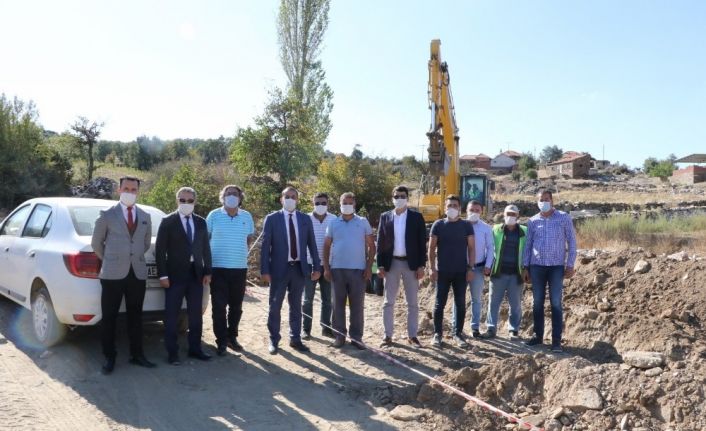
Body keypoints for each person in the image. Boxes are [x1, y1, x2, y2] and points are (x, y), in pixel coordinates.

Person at [91, 176, 155, 374]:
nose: (130, 192)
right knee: (109, 316)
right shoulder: (107, 215)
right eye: (126, 188)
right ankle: (109, 356)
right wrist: (110, 259)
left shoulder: (145, 216)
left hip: (137, 273)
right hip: (112, 274)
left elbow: (145, 243)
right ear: (119, 190)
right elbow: (96, 243)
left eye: (133, 189)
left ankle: (137, 354)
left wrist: (132, 257)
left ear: (138, 192)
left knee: (136, 316)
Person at [260, 186, 321, 355]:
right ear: (281, 199)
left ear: (297, 200)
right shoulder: (272, 219)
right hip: (278, 270)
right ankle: (274, 340)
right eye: (287, 196)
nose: (290, 199)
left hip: (299, 269)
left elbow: (312, 244)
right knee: (275, 306)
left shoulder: (305, 219)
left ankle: (295, 339)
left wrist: (316, 266)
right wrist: (264, 270)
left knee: (296, 306)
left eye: (293, 196)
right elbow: (265, 246)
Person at [156, 187, 213, 365]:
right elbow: (160, 251)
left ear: (195, 201)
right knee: (171, 315)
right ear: (177, 200)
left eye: (190, 200)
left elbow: (205, 248)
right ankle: (172, 353)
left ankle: (195, 349)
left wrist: (208, 271)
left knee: (195, 315)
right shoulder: (168, 221)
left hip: (196, 274)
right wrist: (162, 275)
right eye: (182, 200)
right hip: (174, 275)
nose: (186, 203)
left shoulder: (201, 222)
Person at [522, 190, 577, 353]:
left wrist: (570, 264)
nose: (544, 202)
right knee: (537, 302)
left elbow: (572, 241)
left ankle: (556, 341)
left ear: (552, 201)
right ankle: (537, 336)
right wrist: (525, 267)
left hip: (556, 267)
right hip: (537, 266)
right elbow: (528, 245)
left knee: (556, 302)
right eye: (541, 199)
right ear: (537, 202)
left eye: (546, 199)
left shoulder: (564, 218)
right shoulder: (532, 221)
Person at [206, 185, 254, 356]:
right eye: (228, 194)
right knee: (219, 306)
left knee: (236, 306)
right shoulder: (214, 215)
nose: (231, 196)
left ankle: (232, 337)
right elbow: (206, 238)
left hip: (239, 268)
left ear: (240, 197)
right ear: (223, 196)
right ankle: (221, 341)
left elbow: (248, 239)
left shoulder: (247, 216)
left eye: (235, 194)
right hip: (217, 268)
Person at [323, 192, 375, 349]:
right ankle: (339, 336)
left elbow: (372, 246)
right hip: (337, 270)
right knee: (337, 305)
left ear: (355, 205)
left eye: (350, 203)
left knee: (357, 306)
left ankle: (356, 338)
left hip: (358, 271)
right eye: (344, 203)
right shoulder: (333, 223)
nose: (347, 205)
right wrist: (326, 268)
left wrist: (369, 267)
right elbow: (326, 246)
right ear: (340, 204)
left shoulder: (363, 222)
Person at [376, 186, 427, 348]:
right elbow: (380, 242)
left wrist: (421, 265)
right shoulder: (385, 217)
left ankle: (412, 336)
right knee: (388, 302)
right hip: (391, 264)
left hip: (411, 264)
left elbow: (422, 243)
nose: (399, 199)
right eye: (396, 196)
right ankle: (387, 335)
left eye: (402, 196)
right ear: (392, 198)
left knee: (412, 303)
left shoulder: (416, 217)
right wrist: (380, 265)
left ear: (407, 198)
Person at [428, 195, 475, 348]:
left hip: (461, 272)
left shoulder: (466, 225)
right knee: (439, 303)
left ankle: (458, 334)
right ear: (445, 207)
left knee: (460, 303)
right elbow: (431, 249)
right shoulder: (438, 225)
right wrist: (432, 268)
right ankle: (437, 334)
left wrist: (471, 268)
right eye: (449, 205)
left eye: (455, 205)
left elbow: (471, 248)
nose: (452, 208)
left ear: (460, 208)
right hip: (442, 271)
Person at [452, 200, 494, 339]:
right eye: (471, 210)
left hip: (478, 268)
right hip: (460, 268)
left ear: (481, 211)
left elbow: (490, 247)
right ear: (466, 210)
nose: (474, 212)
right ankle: (455, 326)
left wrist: (488, 265)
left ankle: (475, 327)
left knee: (476, 299)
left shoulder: (486, 228)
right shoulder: (459, 225)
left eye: (477, 210)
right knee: (458, 298)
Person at [484, 204, 526, 339]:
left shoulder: (524, 231)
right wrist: (487, 265)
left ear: (518, 216)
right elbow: (488, 248)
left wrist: (527, 269)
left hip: (516, 273)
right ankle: (491, 328)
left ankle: (513, 330)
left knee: (515, 304)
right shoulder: (495, 229)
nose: (511, 217)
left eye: (513, 214)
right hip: (498, 273)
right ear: (504, 214)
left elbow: (528, 251)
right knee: (493, 302)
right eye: (508, 214)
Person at [302, 192, 335, 339]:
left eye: (323, 203)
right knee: (307, 299)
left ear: (328, 204)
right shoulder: (305, 218)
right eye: (317, 203)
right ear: (312, 203)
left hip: (328, 265)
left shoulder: (334, 219)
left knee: (327, 299)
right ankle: (306, 329)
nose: (320, 205)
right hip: (310, 264)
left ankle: (326, 328)